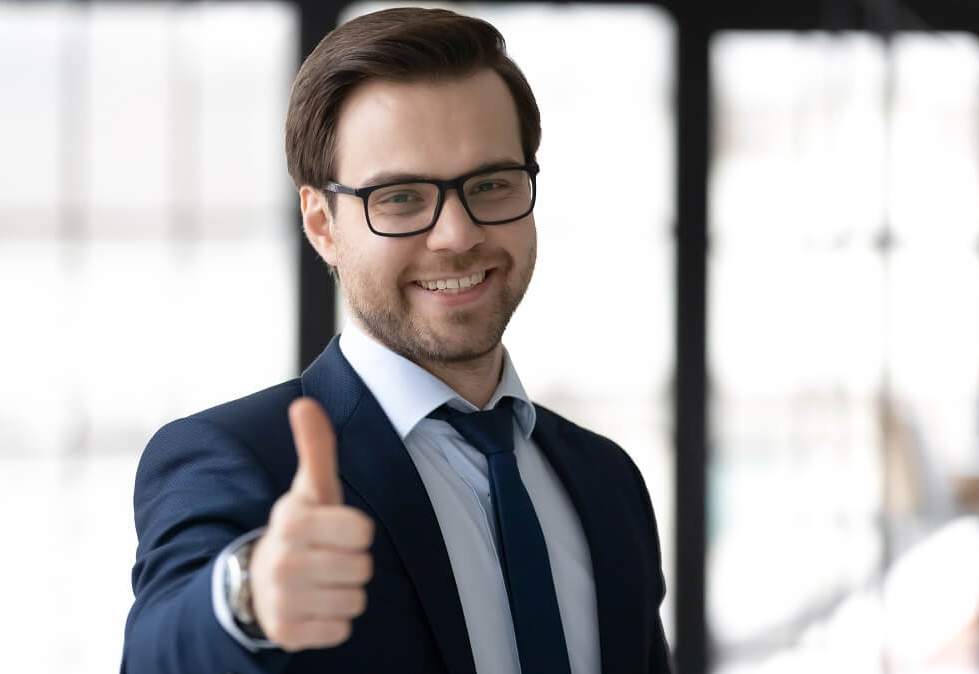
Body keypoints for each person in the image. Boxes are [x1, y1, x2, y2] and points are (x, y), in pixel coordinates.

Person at [121, 7, 670, 673]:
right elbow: (160, 650)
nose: (457, 235)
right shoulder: (235, 459)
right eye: (402, 198)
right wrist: (249, 598)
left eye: (491, 184)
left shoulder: (606, 479)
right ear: (322, 223)